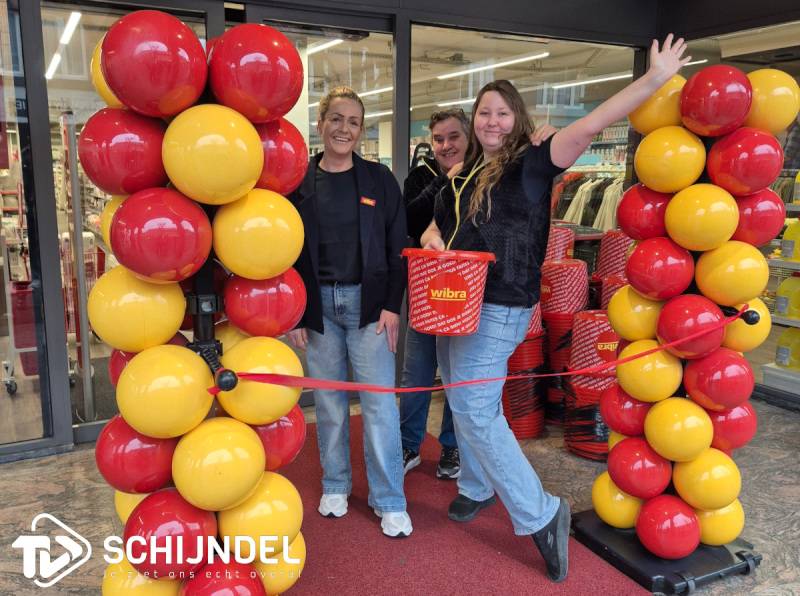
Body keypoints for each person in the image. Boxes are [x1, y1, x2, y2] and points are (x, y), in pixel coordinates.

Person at [420, 35, 691, 581]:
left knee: (474, 409)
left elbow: (591, 124)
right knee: (465, 400)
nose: (492, 121)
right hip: (455, 302)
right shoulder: (463, 173)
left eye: (502, 113)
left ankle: (541, 513)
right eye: (484, 113)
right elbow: (439, 224)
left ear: (516, 118)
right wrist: (432, 236)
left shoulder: (533, 162)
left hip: (499, 306)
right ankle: (476, 484)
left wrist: (655, 78)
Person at [400, 108, 557, 480]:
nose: (445, 145)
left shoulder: (493, 174)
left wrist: (544, 140)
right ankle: (408, 444)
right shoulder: (423, 176)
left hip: (472, 300)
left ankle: (454, 449)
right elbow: (412, 218)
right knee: (417, 374)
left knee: (461, 384)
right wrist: (444, 182)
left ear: (469, 137)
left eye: (453, 136)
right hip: (428, 296)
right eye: (438, 139)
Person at [287, 86, 411, 538]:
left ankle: (389, 499)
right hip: (318, 307)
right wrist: (296, 311)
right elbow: (282, 251)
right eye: (336, 119)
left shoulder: (379, 180)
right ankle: (336, 485)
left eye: (354, 122)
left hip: (368, 306)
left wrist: (391, 306)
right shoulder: (297, 183)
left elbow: (399, 246)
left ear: (361, 130)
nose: (344, 129)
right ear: (320, 123)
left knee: (379, 405)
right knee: (330, 404)